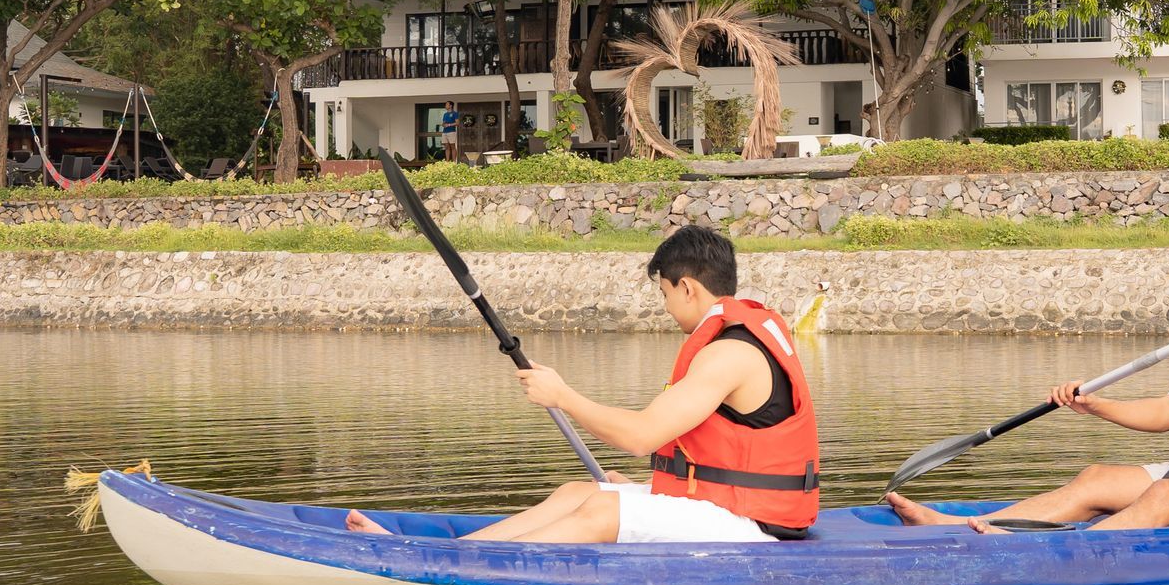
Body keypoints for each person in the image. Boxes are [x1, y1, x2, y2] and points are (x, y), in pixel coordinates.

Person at [348, 225, 820, 543]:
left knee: (603, 513)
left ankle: (444, 568)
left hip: (759, 525)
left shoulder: (729, 354)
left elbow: (639, 437)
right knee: (581, 492)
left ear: (688, 288)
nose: (667, 307)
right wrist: (648, 486)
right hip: (730, 506)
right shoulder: (731, 341)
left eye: (665, 295)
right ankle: (454, 553)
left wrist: (563, 395)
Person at [886, 224, 1169, 532]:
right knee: (1097, 480)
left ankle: (1041, 550)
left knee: (1167, 494)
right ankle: (959, 527)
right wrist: (1095, 405)